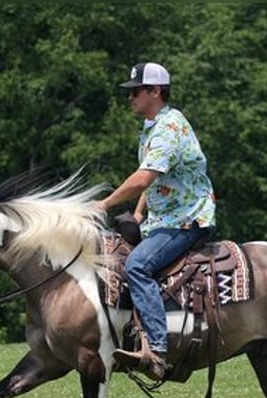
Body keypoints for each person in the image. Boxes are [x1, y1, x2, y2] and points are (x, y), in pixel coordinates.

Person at [96, 62, 216, 381]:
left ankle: (158, 352)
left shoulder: (168, 127)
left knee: (137, 265)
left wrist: (104, 204)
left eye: (135, 91)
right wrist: (137, 214)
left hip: (187, 219)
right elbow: (155, 179)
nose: (130, 97)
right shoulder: (153, 127)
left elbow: (145, 176)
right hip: (165, 219)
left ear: (155, 92)